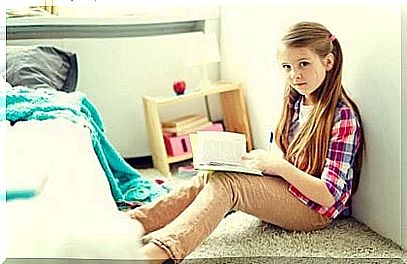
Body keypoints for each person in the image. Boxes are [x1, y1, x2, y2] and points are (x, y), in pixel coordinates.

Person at [127, 21, 365, 263]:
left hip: (315, 211)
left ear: (328, 62)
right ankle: (131, 225)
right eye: (287, 67)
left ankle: (162, 252)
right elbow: (285, 156)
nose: (294, 75)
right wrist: (261, 163)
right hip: (288, 188)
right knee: (212, 175)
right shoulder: (296, 102)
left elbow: (329, 196)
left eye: (303, 64)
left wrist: (278, 165)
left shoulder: (342, 117)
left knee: (230, 185)